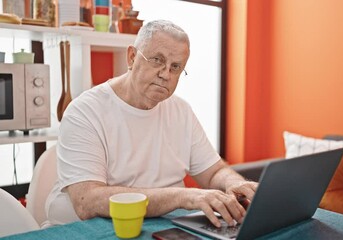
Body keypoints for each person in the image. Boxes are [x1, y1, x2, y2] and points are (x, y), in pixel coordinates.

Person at [45, 19, 258, 228]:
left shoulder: (181, 111)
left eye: (175, 67)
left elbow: (213, 172)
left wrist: (234, 183)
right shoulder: (84, 111)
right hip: (87, 229)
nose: (165, 74)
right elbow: (88, 201)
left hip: (161, 225)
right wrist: (183, 197)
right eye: (157, 59)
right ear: (131, 57)